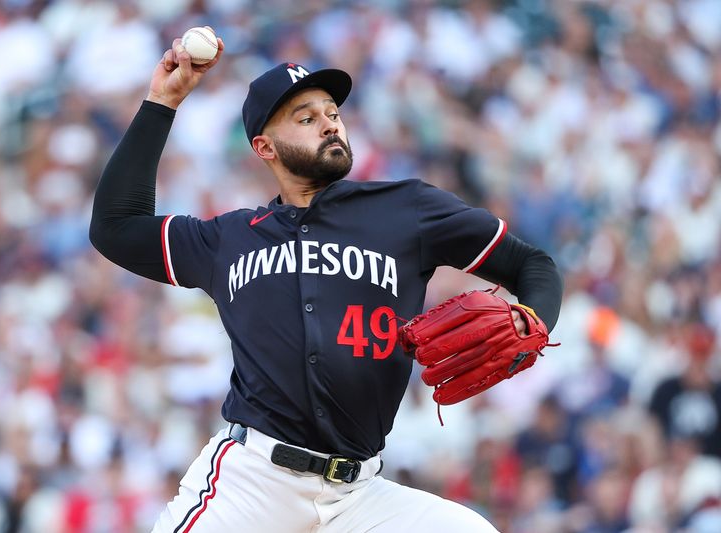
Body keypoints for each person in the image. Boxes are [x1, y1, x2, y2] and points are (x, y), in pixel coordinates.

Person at [90, 32, 563, 533]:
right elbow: (116, 227)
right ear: (264, 146)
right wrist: (162, 102)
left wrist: (531, 321)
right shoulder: (226, 239)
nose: (329, 124)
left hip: (359, 495)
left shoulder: (407, 210)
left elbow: (532, 264)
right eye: (306, 117)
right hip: (252, 484)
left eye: (332, 112)